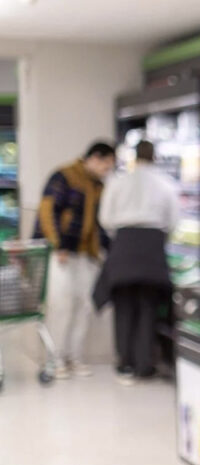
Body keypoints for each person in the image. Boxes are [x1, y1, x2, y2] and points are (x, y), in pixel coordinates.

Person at [93, 140, 179, 385]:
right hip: (152, 247)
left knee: (123, 307)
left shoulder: (118, 182)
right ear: (154, 157)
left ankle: (125, 364)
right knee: (148, 307)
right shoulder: (165, 184)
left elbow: (106, 219)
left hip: (123, 245)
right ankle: (145, 365)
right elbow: (173, 222)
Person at [35, 141, 116, 379]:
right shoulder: (64, 176)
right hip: (60, 253)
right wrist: (57, 244)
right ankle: (55, 358)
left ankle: (74, 356)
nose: (107, 171)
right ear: (95, 158)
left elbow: (99, 224)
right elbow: (47, 211)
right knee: (61, 305)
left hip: (85, 255)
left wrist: (108, 250)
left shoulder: (98, 186)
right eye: (106, 165)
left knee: (84, 305)